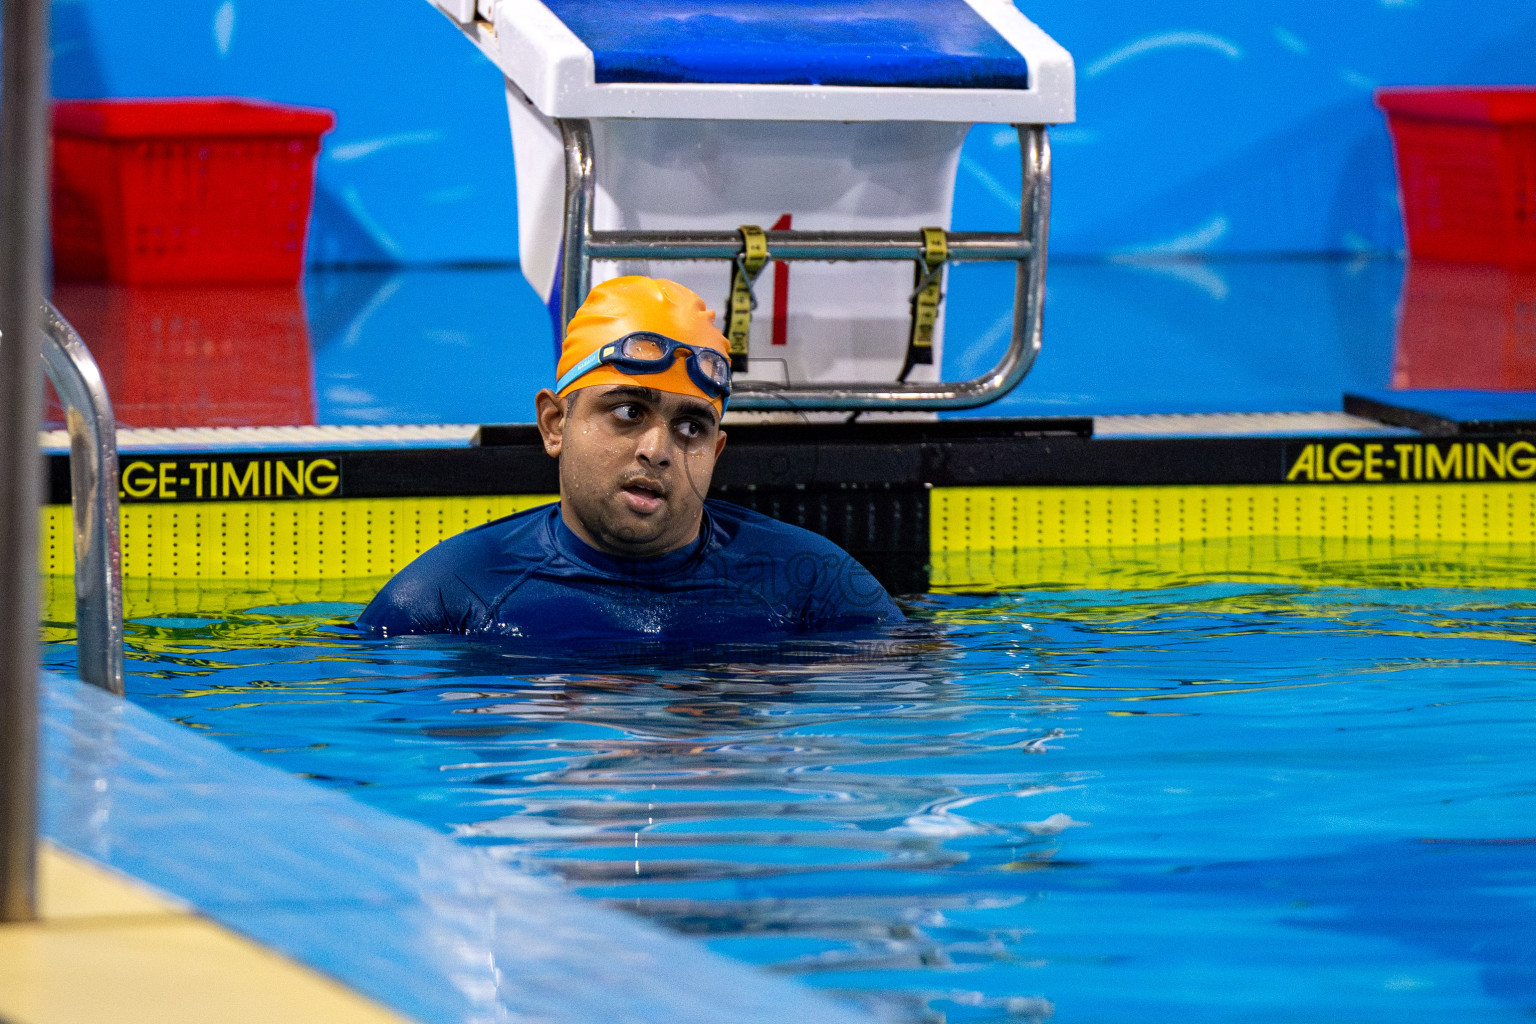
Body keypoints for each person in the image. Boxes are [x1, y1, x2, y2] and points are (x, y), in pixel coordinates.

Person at [358, 275, 903, 640]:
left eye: (690, 426)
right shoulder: (447, 599)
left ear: (715, 452)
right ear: (555, 424)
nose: (657, 450)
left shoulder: (815, 586)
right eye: (626, 413)